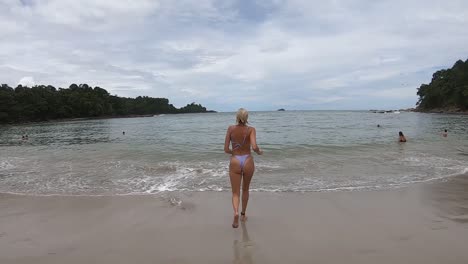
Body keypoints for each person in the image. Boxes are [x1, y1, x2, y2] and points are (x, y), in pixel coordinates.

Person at [224, 108, 263, 228]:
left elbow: (226, 149)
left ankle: (235, 212)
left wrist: (234, 153)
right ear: (247, 118)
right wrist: (259, 152)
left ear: (237, 117)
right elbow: (254, 146)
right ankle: (242, 214)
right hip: (247, 160)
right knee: (245, 190)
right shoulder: (251, 129)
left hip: (235, 160)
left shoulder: (230, 129)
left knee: (235, 192)